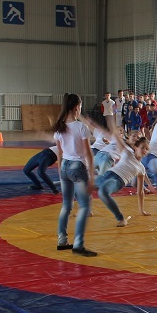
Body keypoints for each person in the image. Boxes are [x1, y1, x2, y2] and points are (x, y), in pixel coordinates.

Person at [53, 93, 96, 257]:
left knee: (66, 205)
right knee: (84, 206)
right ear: (76, 107)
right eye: (80, 107)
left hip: (65, 166)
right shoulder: (80, 127)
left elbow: (59, 153)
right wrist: (91, 175)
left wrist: (60, 172)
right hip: (78, 167)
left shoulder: (59, 126)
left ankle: (62, 240)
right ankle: (78, 244)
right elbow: (88, 153)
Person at [95, 129, 151, 227]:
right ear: (136, 147)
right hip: (107, 174)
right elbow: (117, 139)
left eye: (147, 149)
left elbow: (140, 191)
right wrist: (112, 123)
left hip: (117, 181)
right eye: (143, 148)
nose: (144, 151)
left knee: (102, 192)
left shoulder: (141, 168)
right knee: (82, 184)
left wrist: (141, 210)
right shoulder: (128, 152)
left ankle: (121, 218)